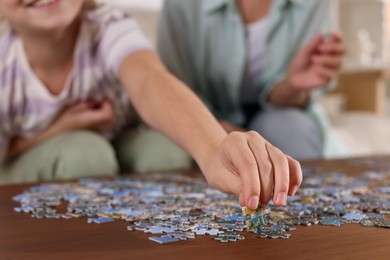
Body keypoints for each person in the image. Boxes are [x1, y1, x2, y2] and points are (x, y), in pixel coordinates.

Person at [0, 0, 302, 210]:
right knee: (83, 152)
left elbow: (149, 80)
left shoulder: (108, 24)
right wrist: (63, 127)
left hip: (117, 141)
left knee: (163, 151)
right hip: (25, 163)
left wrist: (212, 149)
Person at [158, 0, 347, 160]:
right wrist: (215, 129)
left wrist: (292, 86)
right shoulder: (181, 5)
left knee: (294, 129)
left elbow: (292, 101)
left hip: (280, 110)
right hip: (199, 115)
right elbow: (168, 89)